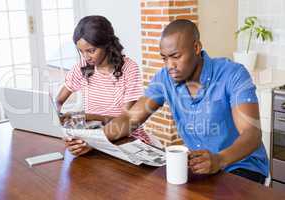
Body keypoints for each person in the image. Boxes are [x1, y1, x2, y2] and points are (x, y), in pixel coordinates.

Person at [100, 19, 268, 184]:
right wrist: (94, 139)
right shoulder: (164, 78)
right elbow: (131, 118)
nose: (169, 65)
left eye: (176, 56)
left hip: (241, 166)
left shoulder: (233, 74)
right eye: (164, 58)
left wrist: (220, 159)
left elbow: (251, 134)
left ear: (196, 47)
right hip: (202, 167)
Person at [56, 15, 157, 156]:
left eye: (91, 51)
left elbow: (125, 120)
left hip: (124, 140)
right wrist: (59, 121)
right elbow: (58, 101)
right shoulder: (83, 68)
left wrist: (86, 116)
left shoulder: (128, 68)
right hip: (94, 138)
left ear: (107, 44)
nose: (86, 57)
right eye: (81, 51)